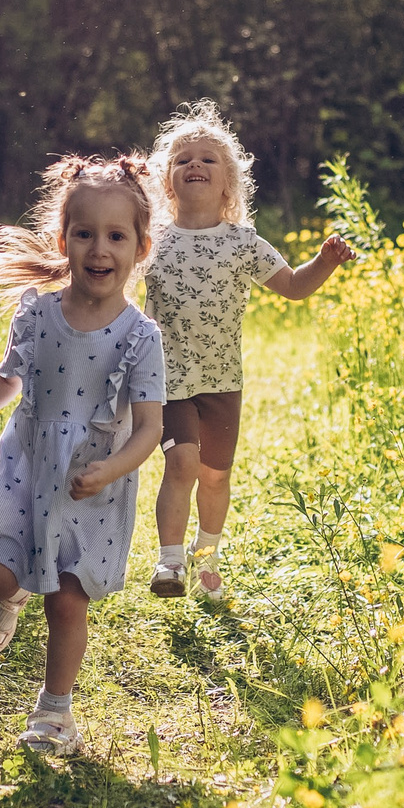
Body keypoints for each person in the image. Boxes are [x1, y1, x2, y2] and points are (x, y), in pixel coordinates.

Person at [0, 154, 166, 756]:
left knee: (66, 602)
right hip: (26, 464)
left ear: (140, 247)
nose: (98, 249)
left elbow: (147, 430)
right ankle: (6, 596)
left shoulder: (141, 337)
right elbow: (9, 376)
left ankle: (54, 714)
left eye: (116, 236)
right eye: (84, 234)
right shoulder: (38, 312)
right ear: (64, 240)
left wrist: (110, 469)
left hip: (91, 483)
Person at [142, 102, 355, 601]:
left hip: (222, 383)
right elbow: (108, 282)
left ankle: (206, 558)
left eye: (208, 159)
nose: (194, 164)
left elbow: (295, 287)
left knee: (215, 477)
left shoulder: (243, 242)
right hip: (167, 380)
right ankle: (169, 564)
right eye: (183, 159)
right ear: (168, 181)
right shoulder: (151, 242)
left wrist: (325, 261)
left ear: (228, 184)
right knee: (182, 466)